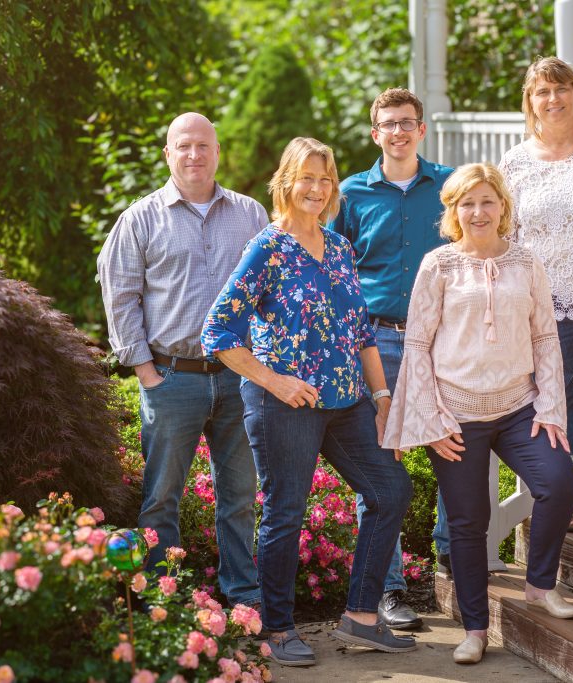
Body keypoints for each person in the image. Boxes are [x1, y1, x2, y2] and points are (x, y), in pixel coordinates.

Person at [201, 137, 416, 666]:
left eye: (325, 179)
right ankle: (276, 629)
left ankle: (362, 616)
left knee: (390, 491)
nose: (316, 189)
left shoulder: (339, 247)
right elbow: (219, 331)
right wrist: (274, 381)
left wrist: (382, 395)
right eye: (307, 178)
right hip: (285, 405)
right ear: (286, 184)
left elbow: (361, 330)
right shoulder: (267, 248)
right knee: (285, 513)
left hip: (347, 401)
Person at [384, 163, 573, 665]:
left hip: (519, 408)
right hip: (457, 413)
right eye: (467, 203)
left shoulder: (526, 262)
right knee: (470, 523)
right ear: (453, 211)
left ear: (502, 208)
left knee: (558, 481)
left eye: (487, 201)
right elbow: (418, 343)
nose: (478, 211)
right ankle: (475, 630)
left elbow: (543, 337)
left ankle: (540, 584)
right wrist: (432, 419)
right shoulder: (438, 265)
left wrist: (551, 409)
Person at [97, 112, 266, 609]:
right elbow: (120, 295)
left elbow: (268, 292)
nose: (194, 155)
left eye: (203, 146)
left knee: (238, 496)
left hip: (239, 379)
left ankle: (243, 598)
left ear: (218, 152)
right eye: (184, 146)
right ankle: (165, 601)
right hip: (172, 377)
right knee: (161, 498)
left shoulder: (251, 215)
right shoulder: (141, 218)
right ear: (168, 154)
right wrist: (146, 372)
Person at [328, 87, 454, 629]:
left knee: (455, 449)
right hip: (376, 341)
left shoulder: (451, 186)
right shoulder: (352, 193)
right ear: (374, 132)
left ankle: (455, 557)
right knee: (382, 462)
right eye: (388, 124)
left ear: (421, 130)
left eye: (407, 122)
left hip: (445, 340)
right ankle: (390, 589)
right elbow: (333, 268)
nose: (398, 132)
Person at [498, 56, 573, 532]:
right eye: (541, 92)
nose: (553, 99)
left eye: (561, 89)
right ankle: (563, 493)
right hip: (541, 298)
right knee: (555, 396)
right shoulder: (515, 160)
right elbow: (510, 234)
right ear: (529, 102)